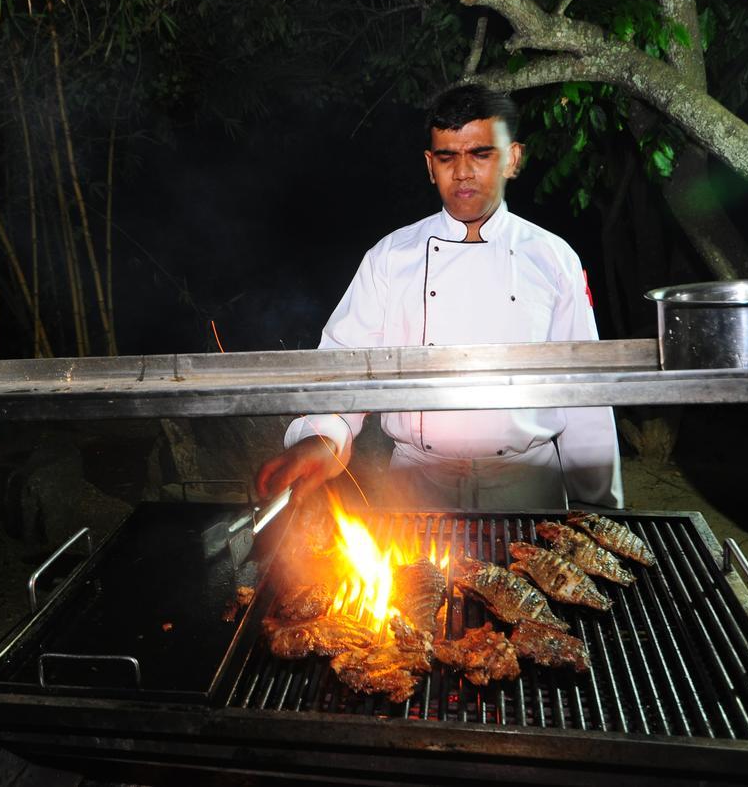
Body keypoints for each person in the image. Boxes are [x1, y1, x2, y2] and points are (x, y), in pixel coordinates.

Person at [255, 84, 622, 511]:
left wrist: (599, 507)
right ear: (431, 165)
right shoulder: (391, 258)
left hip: (528, 485)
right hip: (415, 486)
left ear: (513, 159)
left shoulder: (553, 258)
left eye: (481, 154)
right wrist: (321, 437)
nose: (462, 172)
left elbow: (586, 393)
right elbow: (343, 365)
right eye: (447, 157)